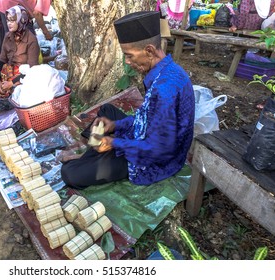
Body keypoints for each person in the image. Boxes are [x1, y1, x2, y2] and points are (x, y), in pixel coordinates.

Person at [61, 11, 195, 189]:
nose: (127, 61)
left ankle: (91, 157)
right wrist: (116, 126)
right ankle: (91, 154)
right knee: (106, 113)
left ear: (149, 51)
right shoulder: (166, 70)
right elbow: (147, 118)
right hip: (151, 137)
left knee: (71, 174)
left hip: (159, 160)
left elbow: (160, 150)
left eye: (129, 55)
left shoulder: (164, 89)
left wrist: (115, 143)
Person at [0, 5, 40, 97]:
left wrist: (11, 83)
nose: (9, 23)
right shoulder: (8, 36)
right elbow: (2, 59)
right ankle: (5, 90)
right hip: (8, 70)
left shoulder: (31, 40)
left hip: (23, 74)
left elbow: (33, 69)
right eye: (8, 20)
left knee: (17, 91)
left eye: (12, 20)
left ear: (21, 20)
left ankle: (10, 91)